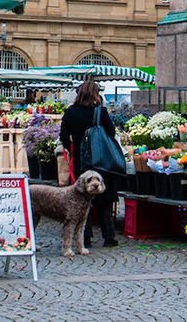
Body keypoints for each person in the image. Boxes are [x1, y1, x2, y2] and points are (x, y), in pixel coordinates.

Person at [59, 77, 119, 248]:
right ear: (95, 94)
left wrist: (75, 147)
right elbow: (112, 133)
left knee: (82, 199)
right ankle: (109, 237)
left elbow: (64, 137)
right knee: (105, 199)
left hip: (81, 161)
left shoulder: (70, 112)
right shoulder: (100, 111)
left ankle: (85, 237)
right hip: (101, 161)